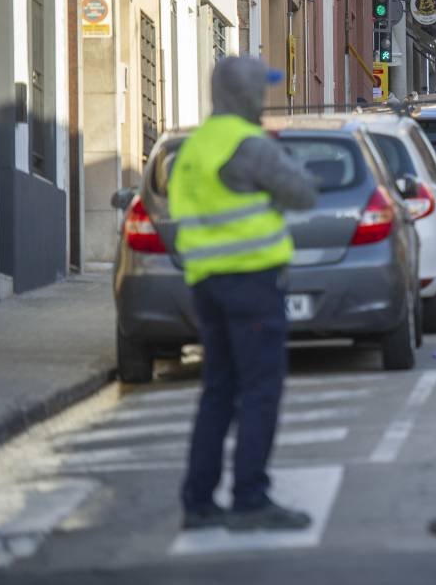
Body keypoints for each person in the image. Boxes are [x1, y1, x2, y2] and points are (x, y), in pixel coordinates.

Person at [170, 56, 319, 532]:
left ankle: (198, 500)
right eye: (263, 90)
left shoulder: (195, 147)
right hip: (252, 283)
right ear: (249, 94)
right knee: (259, 391)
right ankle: (250, 498)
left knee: (218, 390)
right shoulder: (247, 145)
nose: (265, 98)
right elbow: (303, 193)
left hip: (206, 284)